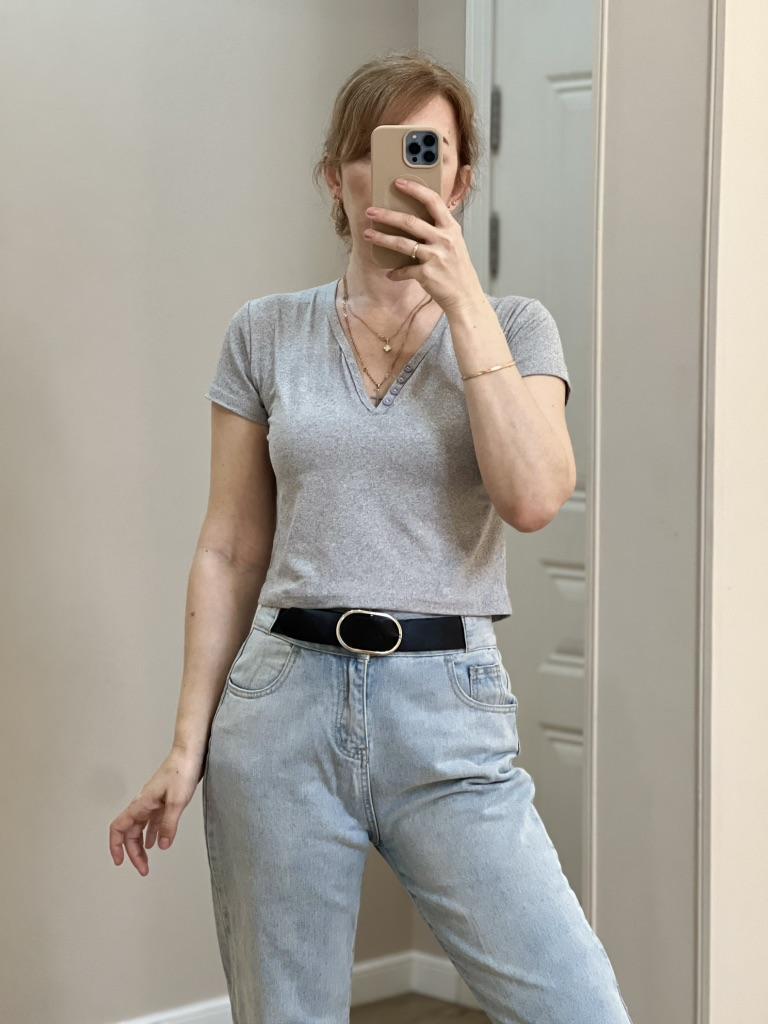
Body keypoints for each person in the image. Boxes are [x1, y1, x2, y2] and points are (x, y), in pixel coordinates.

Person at [109, 50, 634, 1024]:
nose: (400, 177)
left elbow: (532, 497)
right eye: (376, 151)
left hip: (450, 712)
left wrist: (464, 304)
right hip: (282, 709)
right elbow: (229, 549)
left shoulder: (518, 328)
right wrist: (186, 749)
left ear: (461, 182)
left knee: (579, 1006)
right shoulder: (264, 334)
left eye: (428, 153)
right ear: (335, 177)